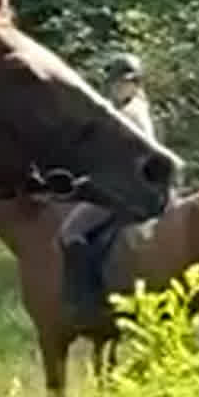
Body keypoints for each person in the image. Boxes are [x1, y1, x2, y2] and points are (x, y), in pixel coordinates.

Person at [58, 49, 156, 317]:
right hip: (136, 183)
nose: (120, 87)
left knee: (70, 231)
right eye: (117, 83)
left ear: (136, 84)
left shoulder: (129, 114)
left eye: (127, 82)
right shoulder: (134, 109)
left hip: (127, 188)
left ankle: (86, 296)